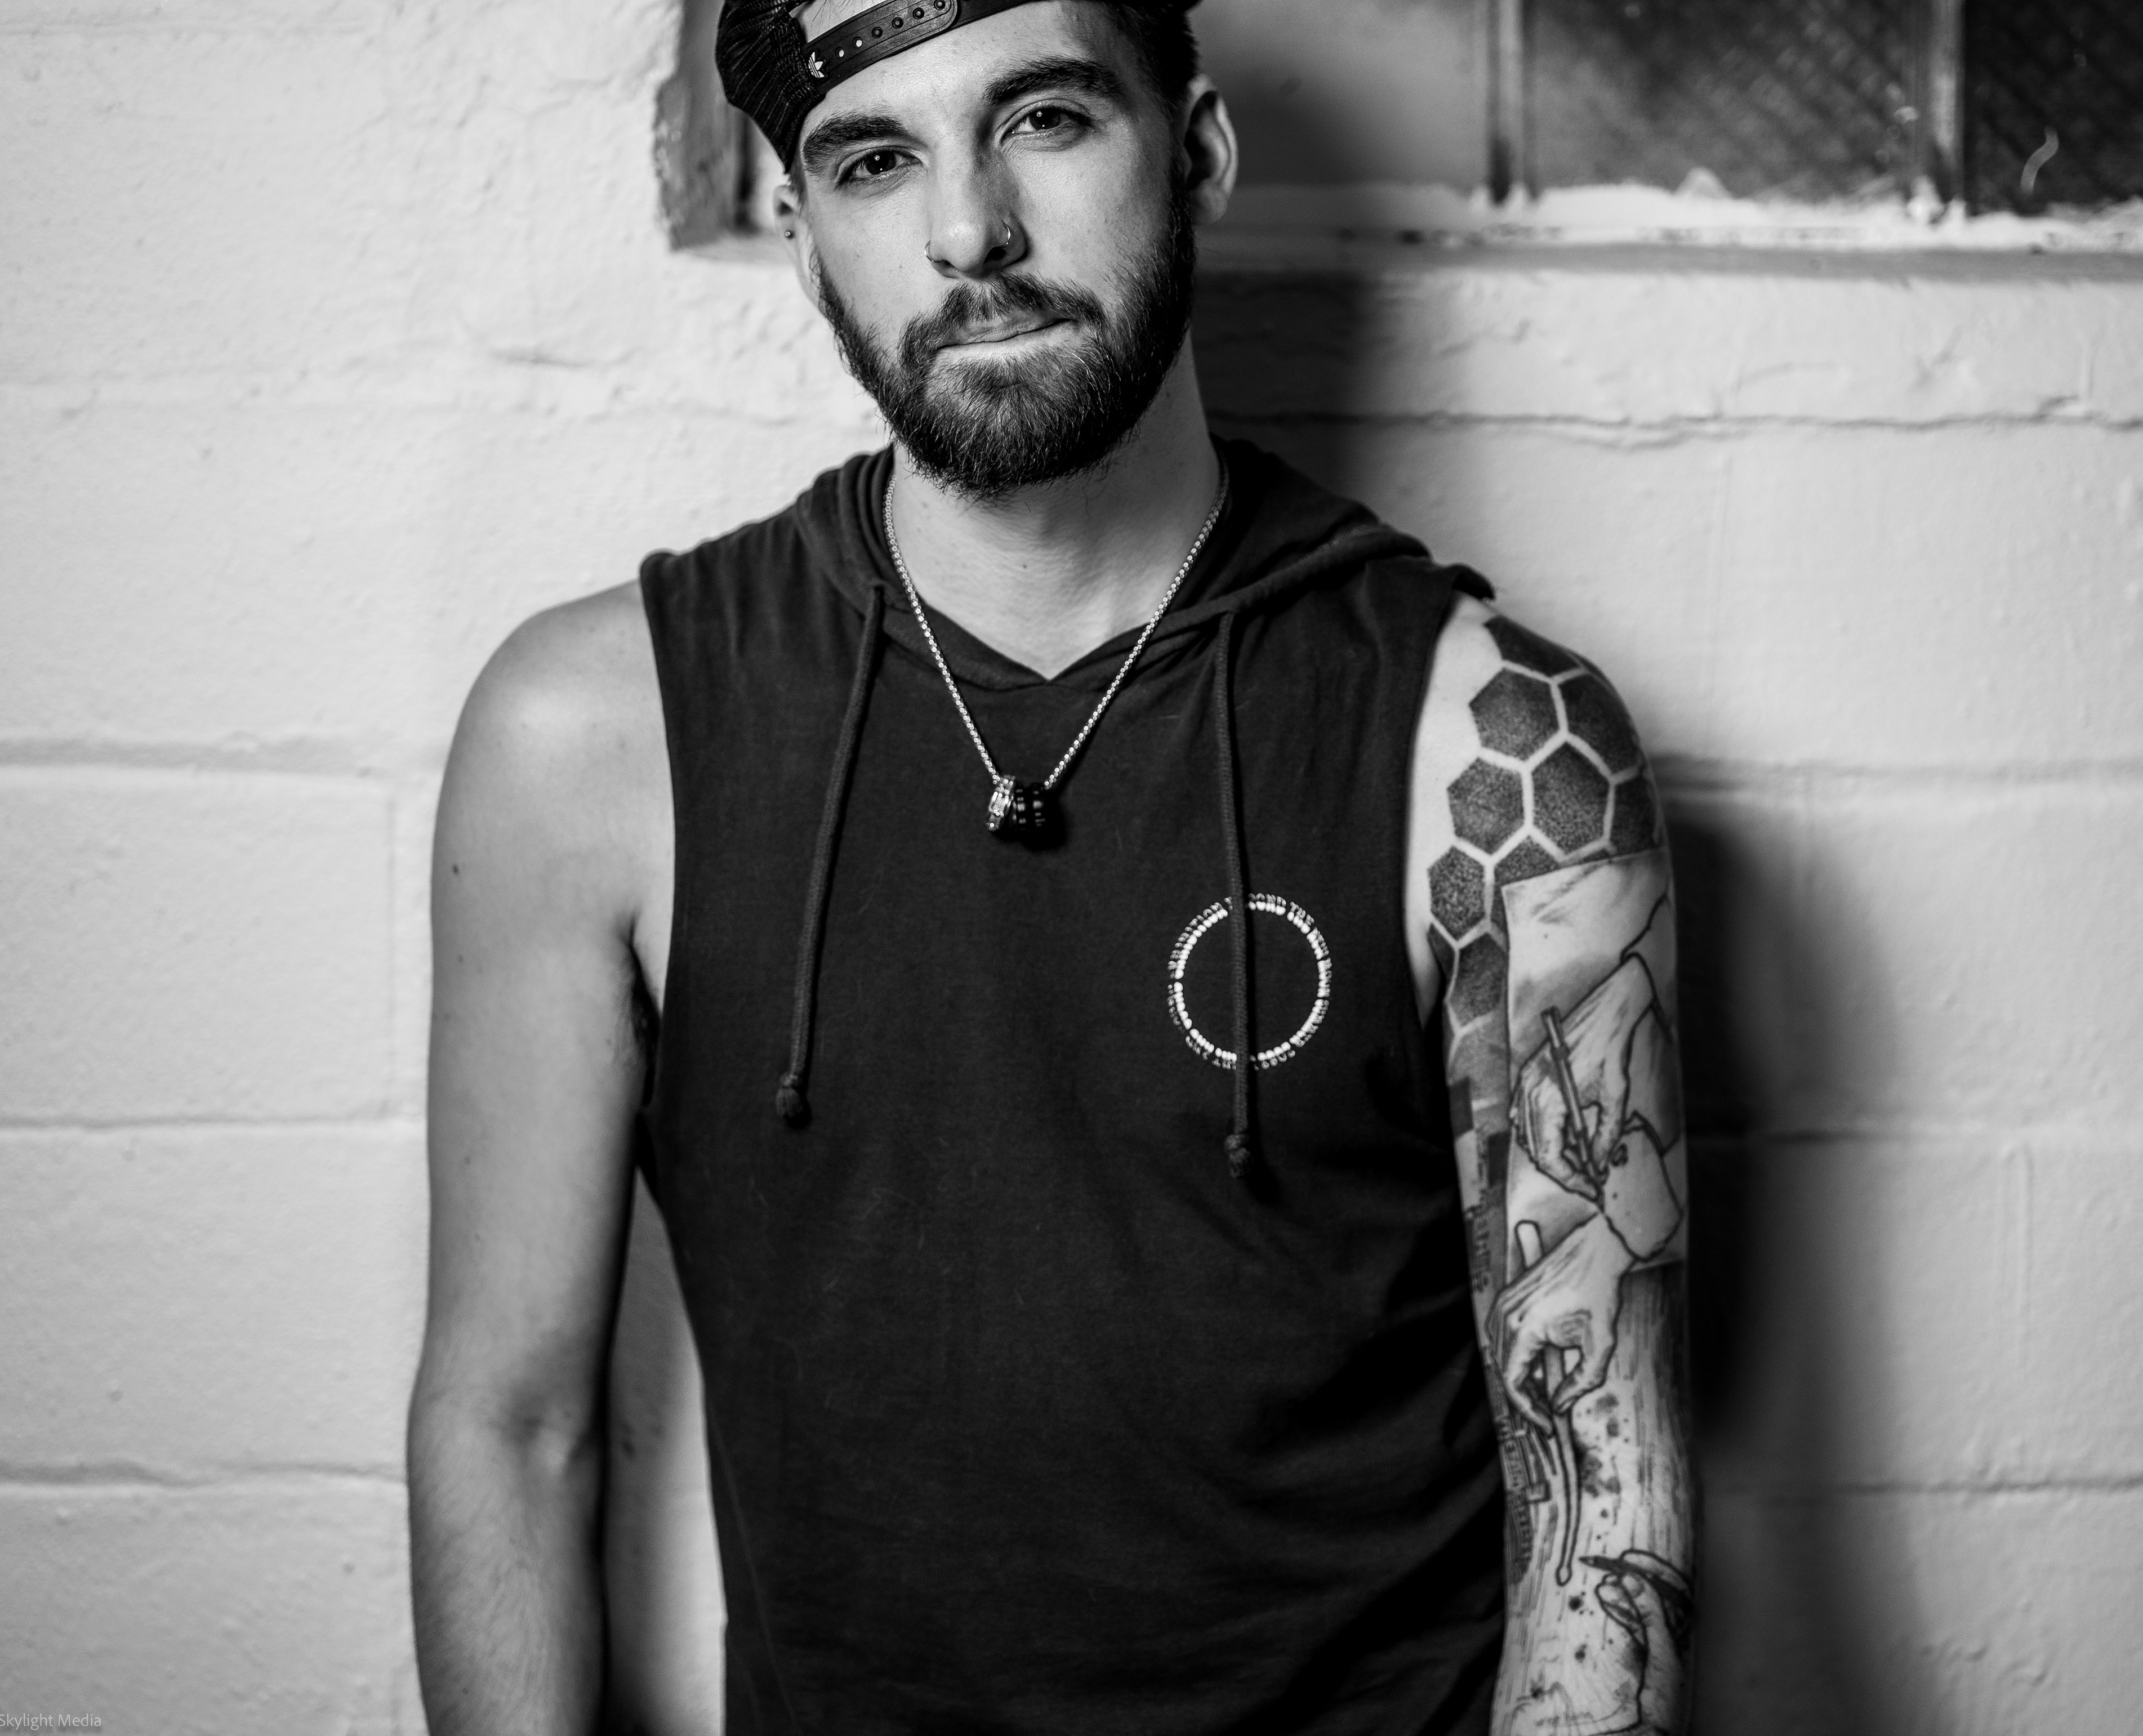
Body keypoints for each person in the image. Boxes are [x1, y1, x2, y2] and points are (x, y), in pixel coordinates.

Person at [404, 1, 1695, 1731]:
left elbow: (1600, 1512)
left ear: (1200, 152)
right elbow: (508, 1421)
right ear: (801, 233)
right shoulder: (594, 739)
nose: (969, 230)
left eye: (1045, 120)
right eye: (877, 159)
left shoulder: (1494, 754)